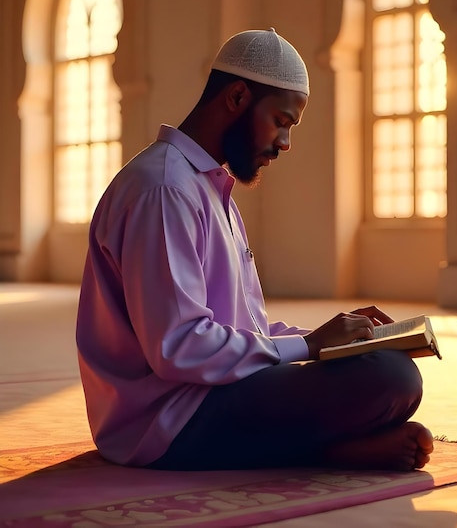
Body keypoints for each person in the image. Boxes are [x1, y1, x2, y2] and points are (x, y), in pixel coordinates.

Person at [76, 27, 434, 472]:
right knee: (389, 379)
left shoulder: (206, 189)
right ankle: (330, 450)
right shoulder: (165, 189)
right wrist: (308, 347)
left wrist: (333, 341)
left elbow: (241, 328)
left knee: (385, 367)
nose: (285, 143)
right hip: (166, 420)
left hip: (211, 392)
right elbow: (179, 347)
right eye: (281, 121)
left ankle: (331, 444)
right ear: (238, 97)